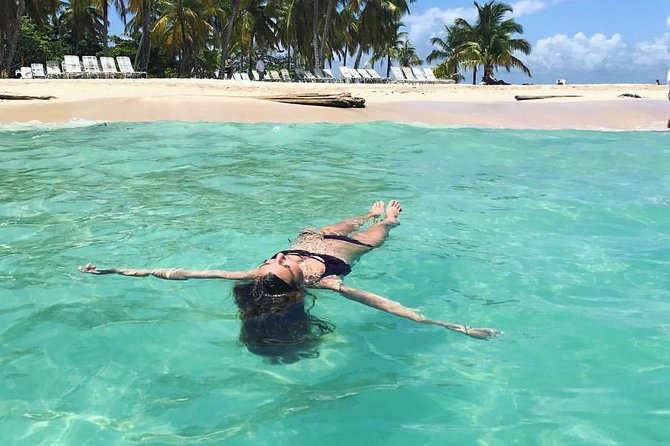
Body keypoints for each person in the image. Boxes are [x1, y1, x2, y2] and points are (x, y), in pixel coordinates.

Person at [80, 200, 499, 360]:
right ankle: (385, 217)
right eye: (283, 262)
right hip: (348, 251)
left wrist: (116, 268)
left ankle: (366, 211)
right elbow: (388, 305)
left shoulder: (258, 276)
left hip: (315, 236)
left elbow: (182, 273)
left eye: (271, 261)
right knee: (375, 232)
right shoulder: (326, 284)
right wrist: (453, 327)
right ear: (297, 286)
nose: (278, 257)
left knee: (335, 223)